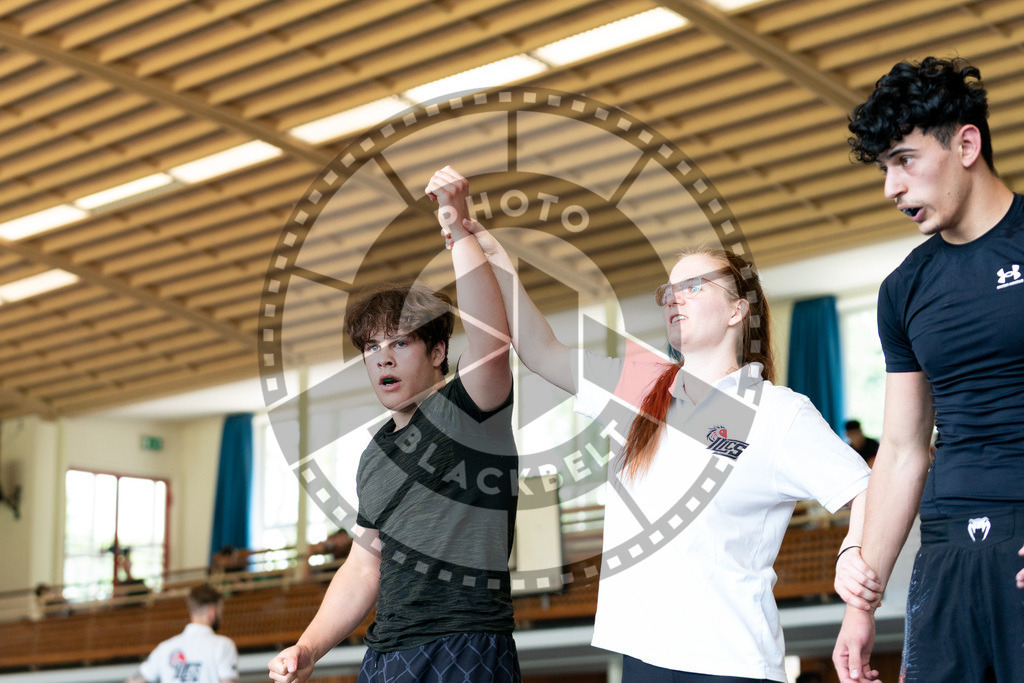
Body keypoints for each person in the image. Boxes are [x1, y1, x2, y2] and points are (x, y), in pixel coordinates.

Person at [439, 168, 873, 682]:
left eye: (694, 287)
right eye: (669, 291)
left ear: (738, 310)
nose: (675, 299)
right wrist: (488, 251)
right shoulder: (641, 384)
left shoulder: (777, 412)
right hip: (642, 658)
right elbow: (540, 351)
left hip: (730, 663)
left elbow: (869, 491)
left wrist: (853, 563)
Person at [268, 166, 520, 683]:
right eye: (372, 348)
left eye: (400, 342)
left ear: (438, 352)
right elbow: (365, 566)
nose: (383, 358)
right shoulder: (373, 457)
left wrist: (457, 227)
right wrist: (309, 647)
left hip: (465, 642)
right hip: (385, 654)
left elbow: (492, 341)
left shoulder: (470, 407)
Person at [833, 56, 1024, 683]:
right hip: (946, 550)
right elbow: (902, 449)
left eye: (904, 160)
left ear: (966, 145)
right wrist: (862, 604)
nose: (891, 187)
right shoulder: (904, 290)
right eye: (884, 168)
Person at [126, 584, 238, 683]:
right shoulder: (223, 645)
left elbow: (135, 680)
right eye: (220, 611)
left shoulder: (165, 648)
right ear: (212, 612)